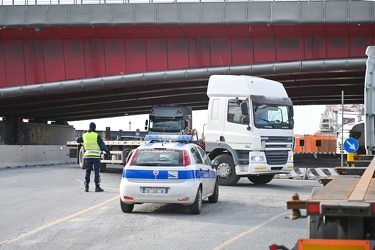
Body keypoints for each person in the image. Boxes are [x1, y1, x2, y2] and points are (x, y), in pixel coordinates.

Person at [76, 122, 111, 192]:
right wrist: (108, 153)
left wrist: (82, 134)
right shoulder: (96, 135)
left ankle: (86, 186)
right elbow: (102, 145)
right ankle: (97, 187)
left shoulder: (84, 135)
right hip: (95, 157)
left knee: (87, 171)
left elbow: (77, 140)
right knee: (96, 171)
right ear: (95, 128)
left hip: (88, 156)